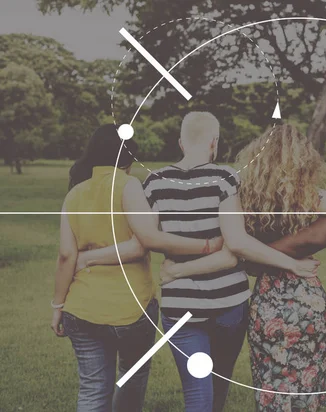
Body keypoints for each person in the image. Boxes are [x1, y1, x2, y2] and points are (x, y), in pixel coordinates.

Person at [77, 114, 319, 412]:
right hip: (229, 302)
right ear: (214, 143)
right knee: (217, 389)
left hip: (181, 307)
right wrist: (292, 264)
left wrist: (88, 256)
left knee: (197, 394)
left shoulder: (154, 182)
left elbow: (148, 239)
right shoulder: (225, 178)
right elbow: (238, 244)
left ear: (181, 142)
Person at [170, 124, 326, 411]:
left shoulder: (244, 197)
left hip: (267, 302)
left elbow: (237, 245)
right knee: (307, 386)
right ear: (304, 159)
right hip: (306, 299)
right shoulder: (309, 197)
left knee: (271, 386)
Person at [51, 124, 220, 412]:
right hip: (131, 309)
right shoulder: (129, 186)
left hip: (80, 308)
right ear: (128, 157)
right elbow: (142, 244)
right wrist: (206, 246)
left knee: (92, 389)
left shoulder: (75, 194)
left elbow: (67, 255)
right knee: (131, 379)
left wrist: (58, 305)